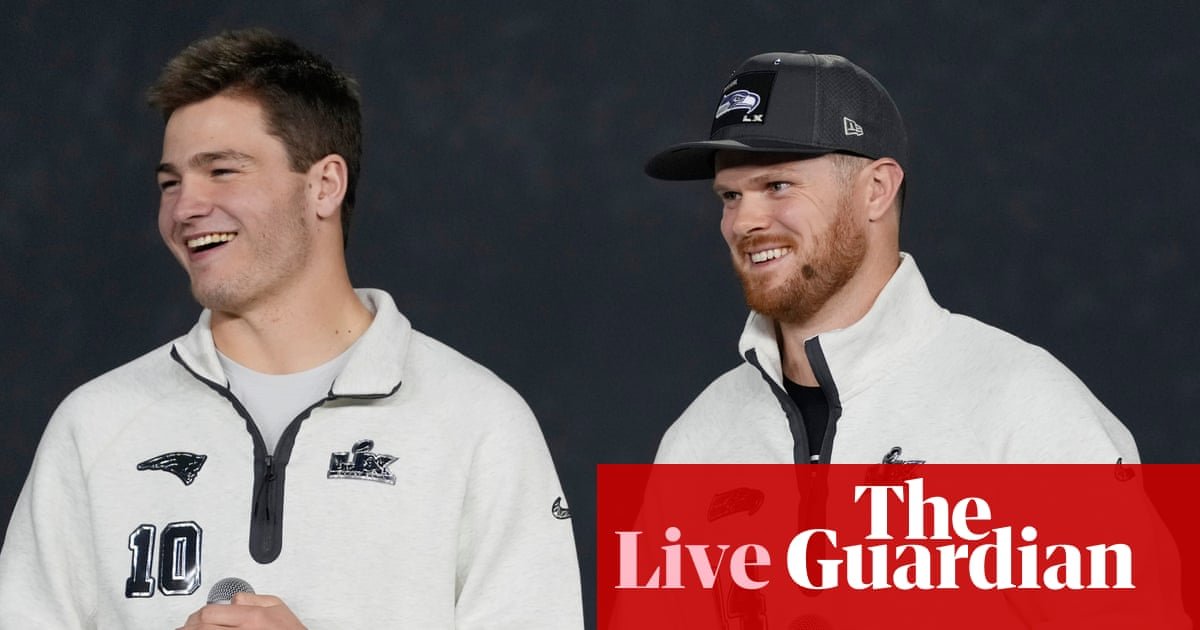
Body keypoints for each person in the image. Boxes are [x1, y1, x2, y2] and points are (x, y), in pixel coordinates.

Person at [0, 28, 583, 629]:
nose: (184, 208)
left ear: (324, 185)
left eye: (222, 170)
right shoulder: (95, 426)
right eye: (169, 183)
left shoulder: (478, 422)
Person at [645, 52, 1139, 465]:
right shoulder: (698, 444)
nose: (743, 222)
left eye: (778, 185)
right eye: (730, 196)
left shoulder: (1025, 408)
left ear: (877, 189)